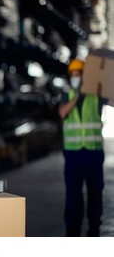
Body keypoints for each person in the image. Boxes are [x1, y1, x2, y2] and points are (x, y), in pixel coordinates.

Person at [58, 58, 108, 237]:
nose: (75, 77)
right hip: (73, 155)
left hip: (93, 153)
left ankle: (94, 229)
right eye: (73, 75)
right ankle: (72, 233)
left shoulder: (97, 96)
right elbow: (63, 113)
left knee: (95, 193)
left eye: (78, 74)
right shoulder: (67, 96)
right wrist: (76, 97)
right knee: (73, 195)